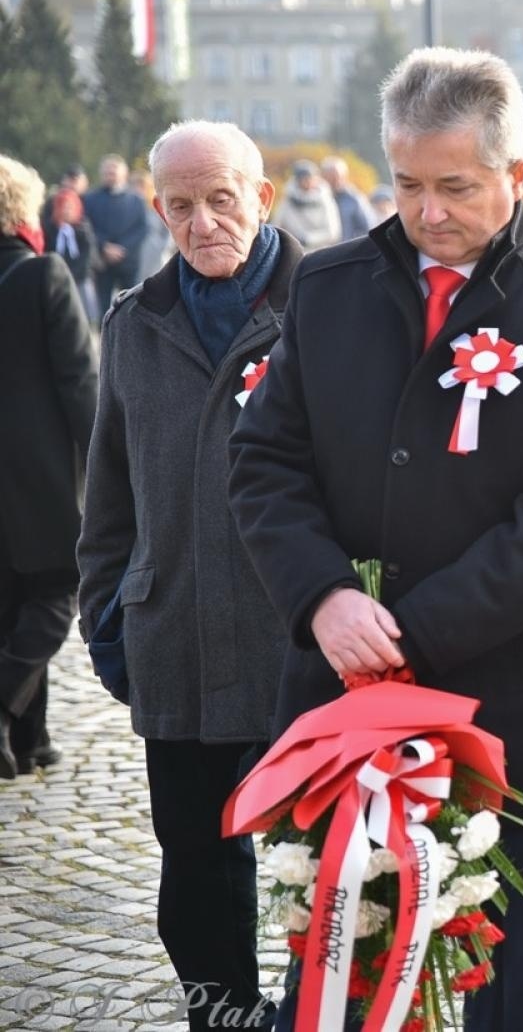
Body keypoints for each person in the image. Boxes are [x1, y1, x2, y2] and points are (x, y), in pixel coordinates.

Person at [227, 48, 523, 1032]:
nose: (427, 212)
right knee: (338, 980)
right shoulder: (326, 288)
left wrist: (408, 635)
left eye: (456, 187)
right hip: (337, 704)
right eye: (407, 184)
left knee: (503, 995)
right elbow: (264, 463)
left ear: (516, 174)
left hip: (504, 712)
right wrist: (323, 597)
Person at [77, 121, 301, 1031]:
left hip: (299, 642)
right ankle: (227, 1013)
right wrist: (108, 621)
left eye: (220, 199)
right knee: (196, 868)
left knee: (326, 858)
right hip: (174, 637)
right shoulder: (135, 323)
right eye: (180, 206)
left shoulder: (327, 309)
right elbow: (108, 497)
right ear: (157, 210)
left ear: (262, 198)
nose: (202, 223)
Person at [0, 153, 96, 781]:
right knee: (56, 595)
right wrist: (109, 465)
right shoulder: (43, 274)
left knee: (11, 600)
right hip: (37, 476)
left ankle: (29, 738)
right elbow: (79, 382)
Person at [82, 153, 152, 310]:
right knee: (103, 306)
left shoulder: (136, 200)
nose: (110, 175)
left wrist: (122, 248)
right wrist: (104, 246)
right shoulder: (91, 199)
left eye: (114, 172)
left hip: (128, 261)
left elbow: (142, 228)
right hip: (102, 261)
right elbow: (87, 226)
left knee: (131, 305)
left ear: (124, 174)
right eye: (107, 172)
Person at [41, 182, 99, 316]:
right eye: (63, 207)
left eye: (70, 207)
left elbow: (88, 255)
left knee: (84, 311)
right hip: (56, 277)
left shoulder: (83, 228)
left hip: (80, 277)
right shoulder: (50, 229)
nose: (66, 211)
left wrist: (75, 273)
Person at [273, 159, 341, 249]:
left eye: (309, 178)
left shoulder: (326, 201)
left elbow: (332, 232)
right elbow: (277, 225)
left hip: (320, 251)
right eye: (303, 178)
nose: (306, 182)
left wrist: (308, 239)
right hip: (295, 250)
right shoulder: (287, 201)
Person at [320, 156, 376, 241]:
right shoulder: (316, 198)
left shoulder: (354, 199)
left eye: (336, 177)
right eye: (330, 177)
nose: (334, 181)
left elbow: (368, 227)